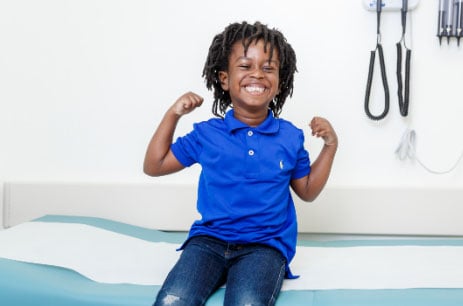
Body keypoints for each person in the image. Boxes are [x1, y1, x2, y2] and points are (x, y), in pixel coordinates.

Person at [144, 21, 337, 306]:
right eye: (246, 66)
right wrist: (173, 114)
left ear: (280, 81)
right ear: (224, 79)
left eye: (268, 68)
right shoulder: (207, 134)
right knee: (174, 300)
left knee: (246, 302)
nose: (257, 74)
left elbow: (307, 191)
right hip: (207, 242)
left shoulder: (289, 136)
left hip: (265, 247)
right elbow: (155, 165)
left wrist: (330, 146)